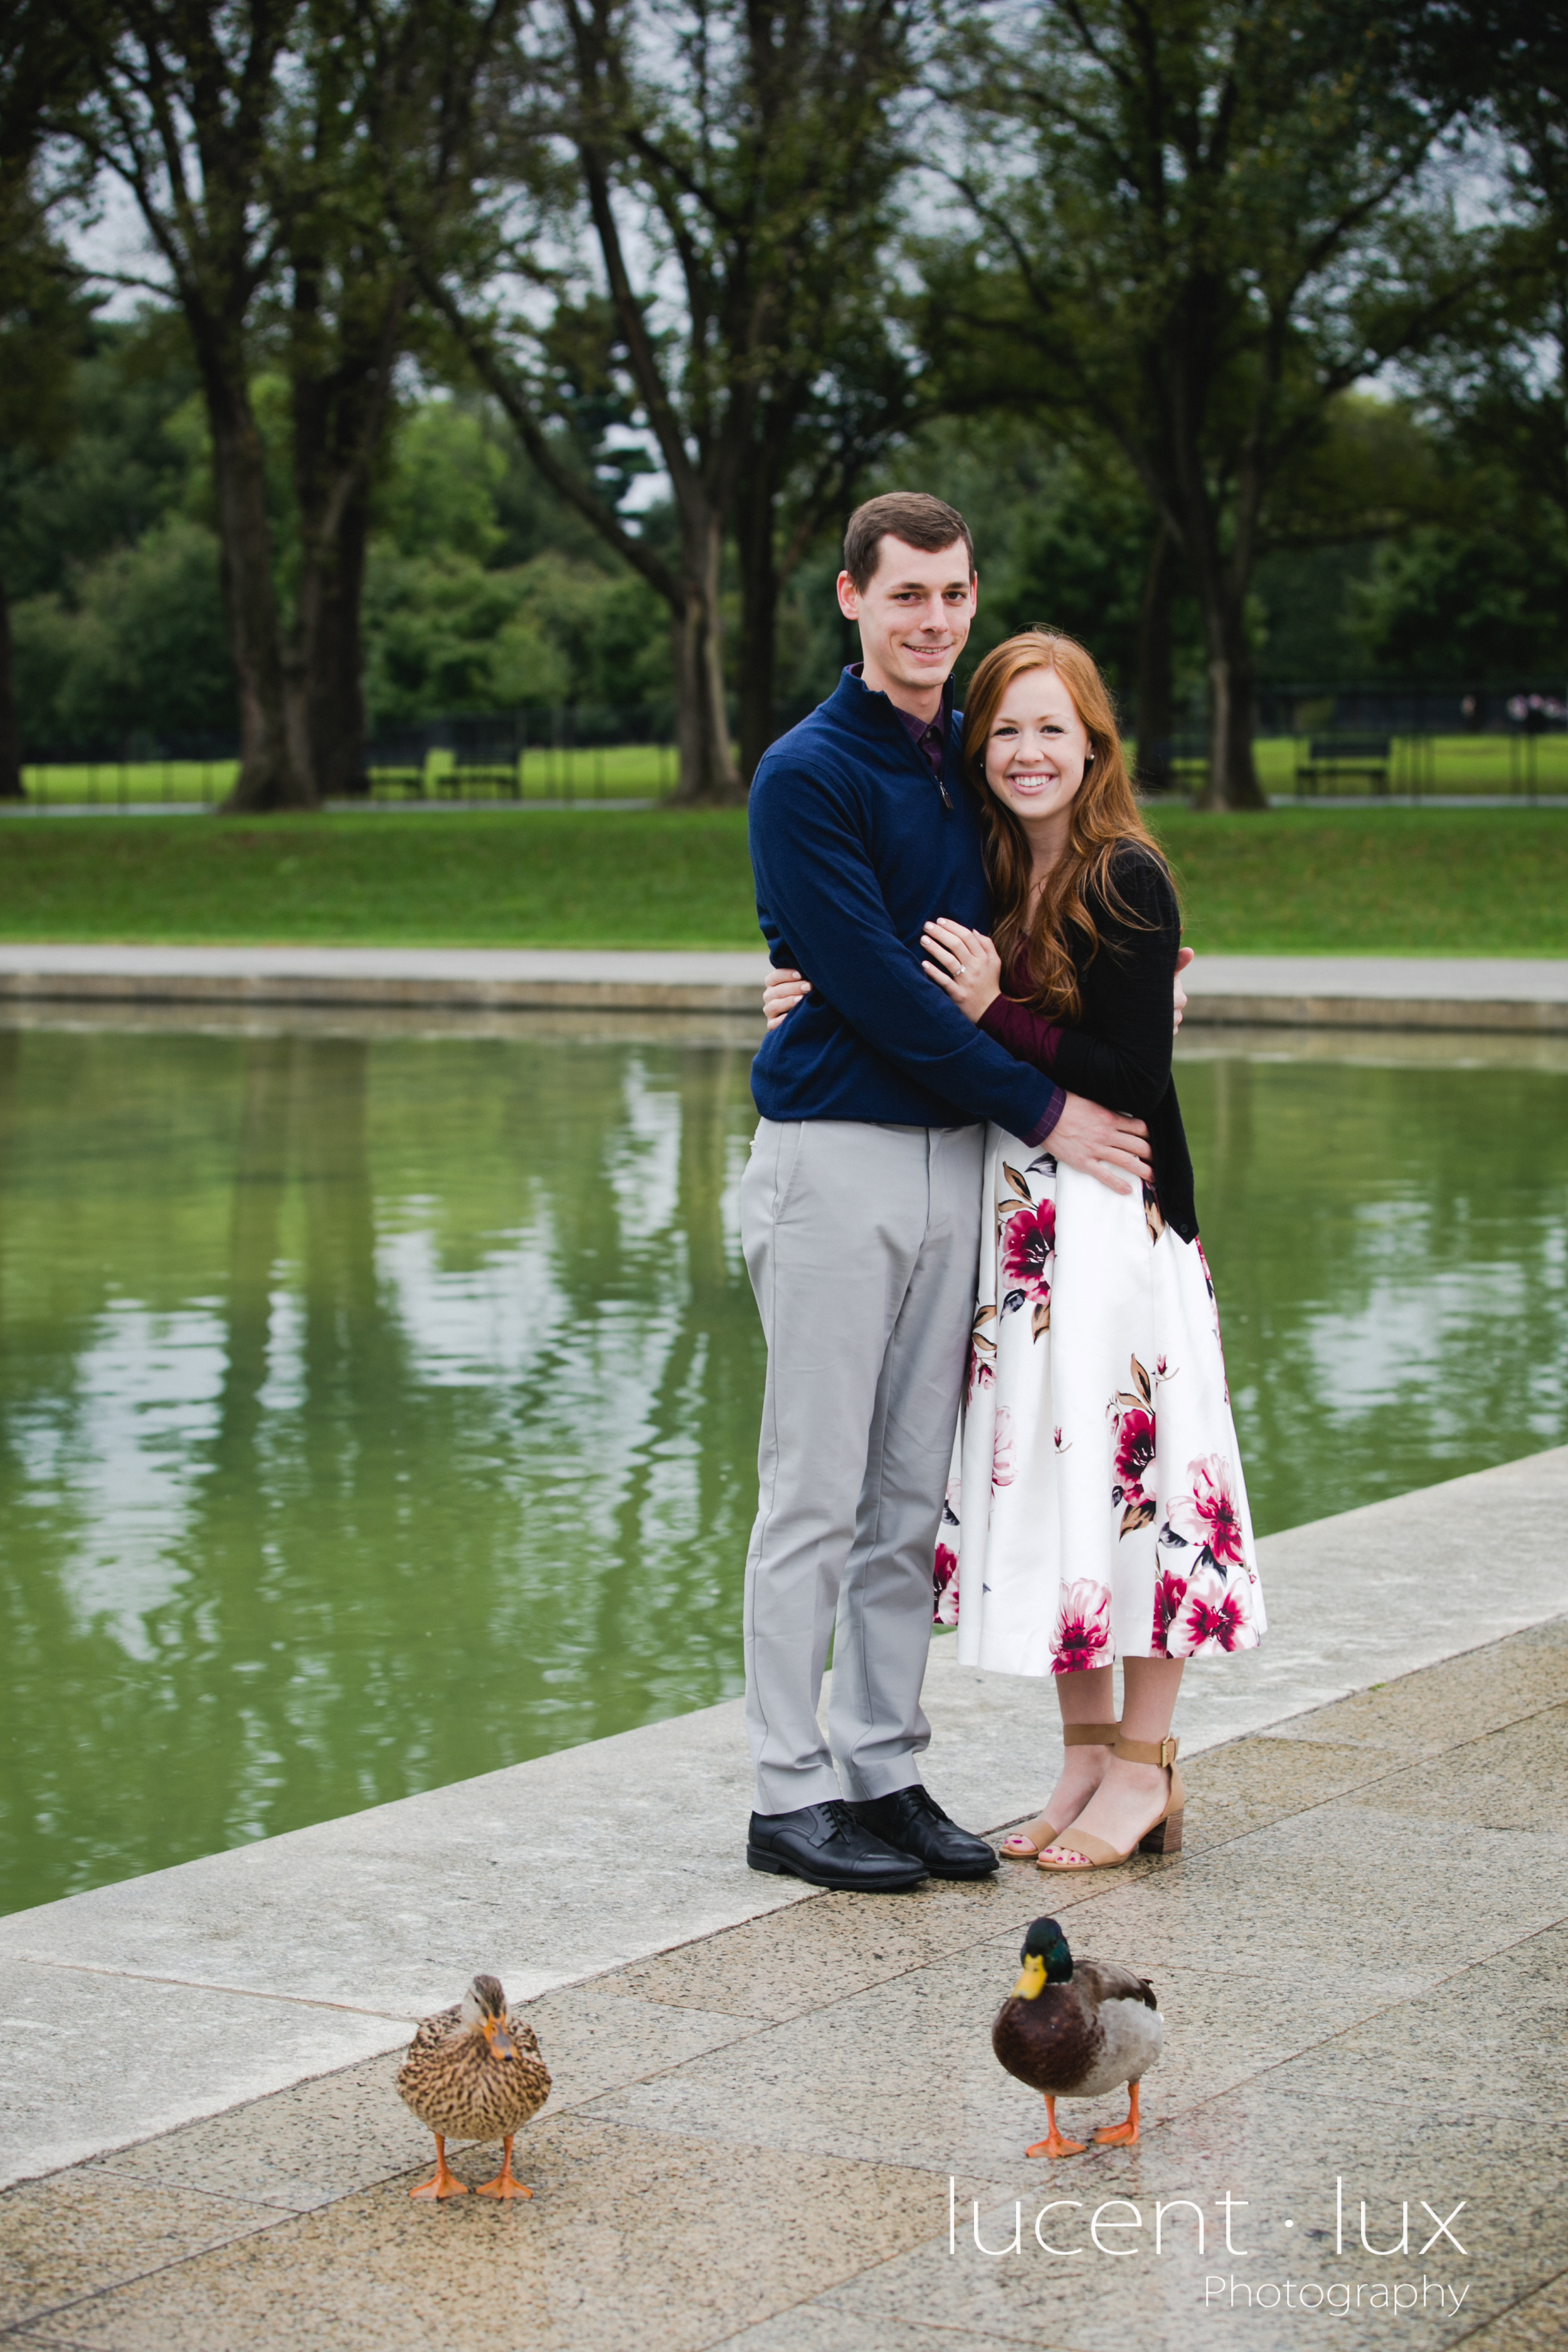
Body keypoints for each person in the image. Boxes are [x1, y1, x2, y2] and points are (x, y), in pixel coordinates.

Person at [771, 628, 1264, 1874]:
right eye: (1004, 730)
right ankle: (1081, 1763)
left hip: (1113, 1225)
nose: (1027, 751)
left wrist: (998, 1011)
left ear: (1093, 742)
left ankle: (1144, 1771)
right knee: (1061, 1492)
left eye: (1052, 729)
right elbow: (875, 964)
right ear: (971, 749)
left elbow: (1131, 1079)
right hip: (1030, 1237)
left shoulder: (1123, 877)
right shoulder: (987, 874)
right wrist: (794, 988)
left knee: (1138, 1495)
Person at [741, 492, 1161, 1895]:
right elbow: (869, 986)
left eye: (953, 594)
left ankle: (881, 1763)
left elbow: (1038, 924)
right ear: (850, 598)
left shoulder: (964, 765)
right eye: (904, 594)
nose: (932, 620)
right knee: (811, 1490)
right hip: (835, 1161)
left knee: (906, 1499)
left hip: (959, 1171)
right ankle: (786, 1790)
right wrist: (1049, 1104)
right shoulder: (805, 771)